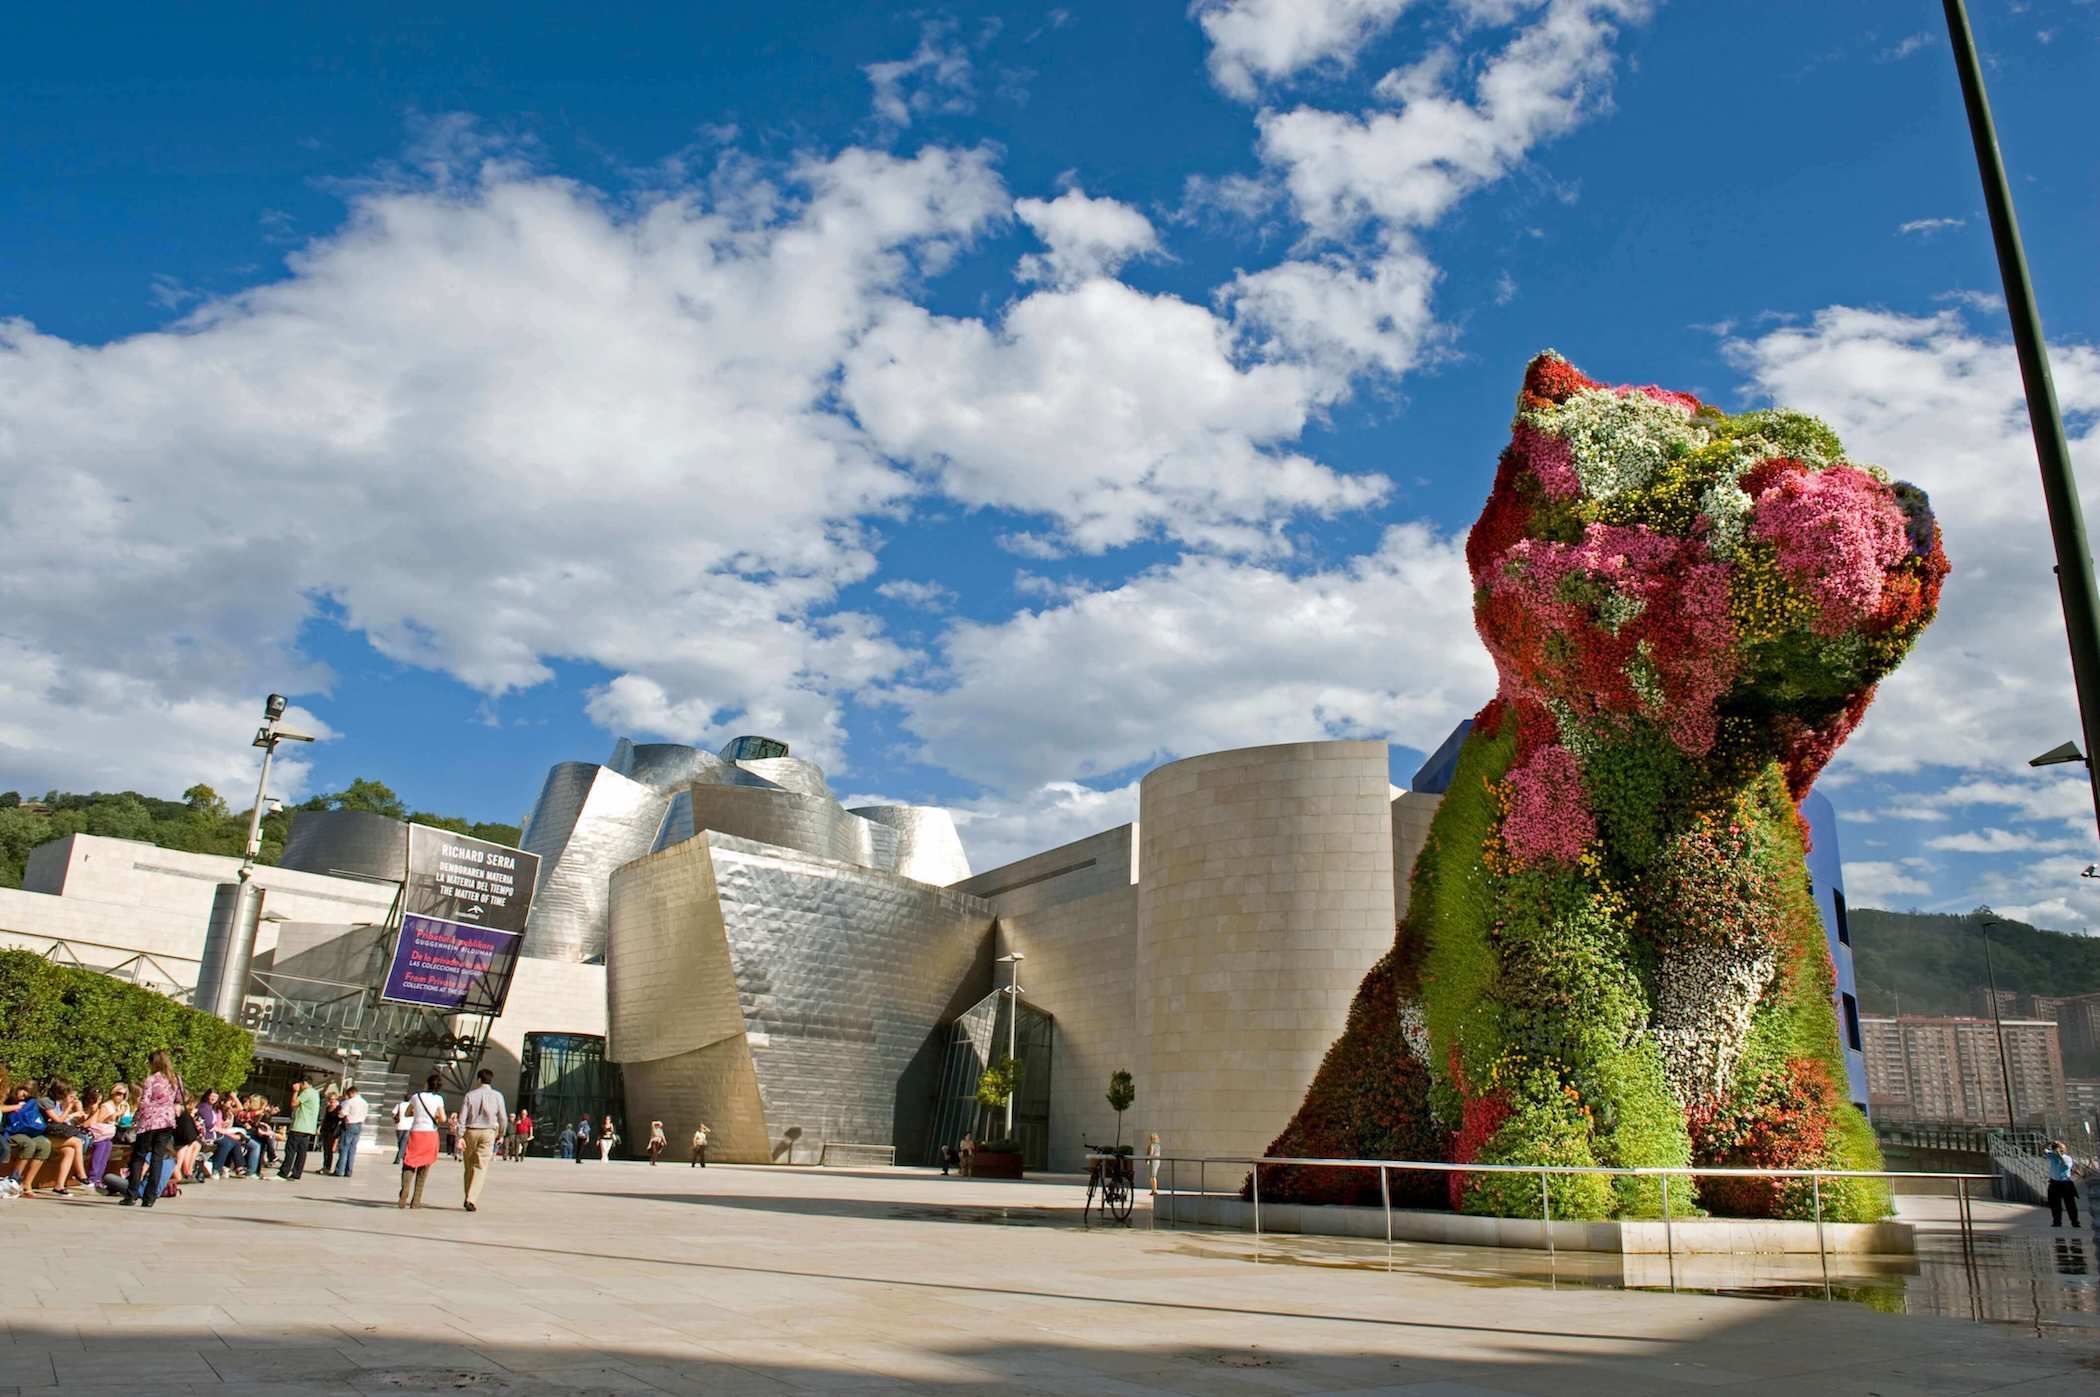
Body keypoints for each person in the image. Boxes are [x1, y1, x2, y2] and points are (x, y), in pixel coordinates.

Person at [123, 1051, 181, 1208]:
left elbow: (144, 1102)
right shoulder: (175, 1080)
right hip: (167, 1121)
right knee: (157, 1157)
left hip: (150, 1121)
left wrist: (136, 1119)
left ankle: (131, 1193)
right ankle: (150, 1196)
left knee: (139, 1156)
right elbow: (179, 1100)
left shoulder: (151, 1079)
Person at [457, 1068, 506, 1212]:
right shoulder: (498, 1096)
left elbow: (462, 1117)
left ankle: (468, 1195)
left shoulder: (470, 1095)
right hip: (488, 1132)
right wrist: (501, 1133)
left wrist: (460, 1135)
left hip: (471, 1131)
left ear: (479, 1079)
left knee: (468, 1166)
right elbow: (502, 1117)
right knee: (481, 1166)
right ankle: (471, 1199)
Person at [397, 1074, 447, 1210]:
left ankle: (405, 1189)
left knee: (409, 1163)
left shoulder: (416, 1097)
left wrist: (418, 1113)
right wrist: (434, 1115)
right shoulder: (439, 1099)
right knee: (424, 1167)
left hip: (416, 1133)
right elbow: (443, 1118)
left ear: (427, 1083)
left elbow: (407, 1113)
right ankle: (416, 1200)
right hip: (430, 1134)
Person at [278, 1078, 319, 1180]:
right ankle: (296, 1173)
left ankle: (284, 1172)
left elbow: (293, 1103)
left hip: (299, 1126)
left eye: (300, 1084)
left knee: (290, 1150)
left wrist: (295, 1092)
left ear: (304, 1083)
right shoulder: (315, 1093)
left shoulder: (307, 1092)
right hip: (308, 1127)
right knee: (302, 1151)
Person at [2045, 1140, 2085, 1228]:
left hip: (2065, 1184)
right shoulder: (2052, 1156)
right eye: (2057, 1148)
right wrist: (2048, 1143)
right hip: (2054, 1183)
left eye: (2061, 1149)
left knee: (2070, 1204)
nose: (2058, 1150)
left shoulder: (2067, 1158)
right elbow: (2043, 1150)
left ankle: (2075, 1222)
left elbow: (2065, 1165)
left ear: (2064, 1150)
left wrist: (2059, 1154)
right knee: (2055, 1204)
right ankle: (2057, 1222)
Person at [333, 1086, 368, 1177]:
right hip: (359, 1125)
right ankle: (349, 1171)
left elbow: (342, 1114)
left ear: (352, 1093)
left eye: (348, 1094)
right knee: (352, 1149)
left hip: (349, 1125)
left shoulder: (350, 1102)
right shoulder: (365, 1102)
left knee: (344, 1148)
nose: (348, 1096)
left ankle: (339, 1170)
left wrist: (340, 1114)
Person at [318, 1084, 343, 1176]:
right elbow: (325, 1118)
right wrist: (320, 1127)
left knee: (330, 1151)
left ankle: (327, 1167)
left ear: (336, 1099)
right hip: (326, 1130)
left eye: (333, 1099)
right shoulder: (328, 1108)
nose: (331, 1101)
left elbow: (340, 1120)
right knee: (325, 1150)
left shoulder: (338, 1108)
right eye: (330, 1099)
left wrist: (337, 1135)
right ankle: (325, 1166)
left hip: (333, 1131)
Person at [392, 1095, 414, 1165]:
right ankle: (404, 1157)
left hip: (399, 1126)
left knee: (401, 1142)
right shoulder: (412, 1106)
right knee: (403, 1143)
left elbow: (393, 1113)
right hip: (408, 1127)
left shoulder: (399, 1105)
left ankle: (397, 1159)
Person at [1147, 1133, 1162, 1199]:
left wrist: (1147, 1160)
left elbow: (1151, 1153)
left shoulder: (1152, 1145)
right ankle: (1154, 1190)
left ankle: (1154, 1190)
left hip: (1153, 1161)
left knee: (1153, 1176)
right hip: (1157, 1161)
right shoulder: (1158, 1146)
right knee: (1153, 1176)